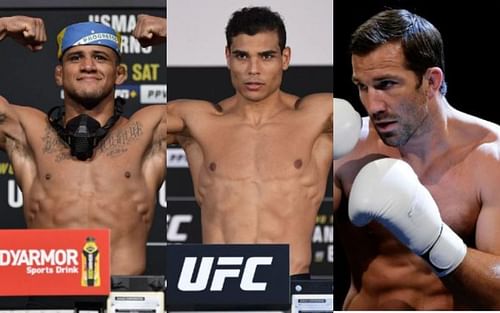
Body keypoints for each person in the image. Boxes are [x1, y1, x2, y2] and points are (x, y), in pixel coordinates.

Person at [334, 9, 500, 309]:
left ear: (431, 82)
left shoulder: (490, 159)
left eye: (386, 84)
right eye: (362, 86)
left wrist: (434, 241)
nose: (373, 105)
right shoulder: (348, 148)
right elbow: (284, 246)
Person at [166, 6, 333, 276]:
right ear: (228, 57)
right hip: (219, 286)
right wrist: (166, 32)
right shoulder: (197, 121)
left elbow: (378, 119)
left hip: (291, 283)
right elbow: (128, 131)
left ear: (285, 58)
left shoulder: (317, 117)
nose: (253, 70)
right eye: (242, 56)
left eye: (266, 56)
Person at [0, 14, 167, 276]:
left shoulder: (148, 131)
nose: (88, 66)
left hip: (123, 297)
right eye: (75, 58)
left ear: (120, 73)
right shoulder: (27, 130)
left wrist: (174, 30)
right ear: (59, 74)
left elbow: (232, 110)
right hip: (48, 295)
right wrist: (2, 26)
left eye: (100, 57)